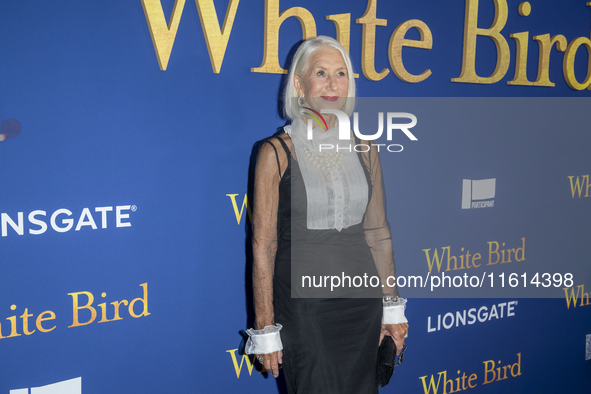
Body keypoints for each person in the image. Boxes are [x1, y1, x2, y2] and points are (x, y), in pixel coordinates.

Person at [245, 36, 409, 394]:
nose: (333, 84)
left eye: (341, 74)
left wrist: (392, 309)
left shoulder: (366, 149)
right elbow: (263, 245)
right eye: (321, 73)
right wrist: (265, 326)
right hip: (306, 311)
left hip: (362, 306)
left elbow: (378, 233)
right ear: (300, 85)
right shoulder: (275, 153)